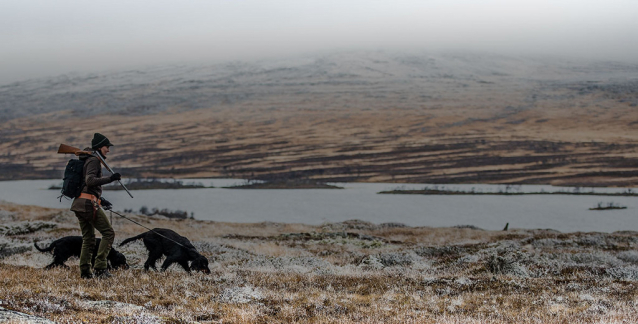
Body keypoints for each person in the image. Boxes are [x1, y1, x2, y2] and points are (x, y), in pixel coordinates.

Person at [70, 133, 121, 279]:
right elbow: (90, 180)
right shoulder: (93, 160)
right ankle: (100, 268)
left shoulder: (88, 159)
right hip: (87, 204)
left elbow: (87, 185)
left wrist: (101, 199)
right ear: (100, 147)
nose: (108, 150)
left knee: (89, 238)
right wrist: (110, 179)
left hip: (80, 203)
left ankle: (85, 271)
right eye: (107, 147)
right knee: (108, 233)